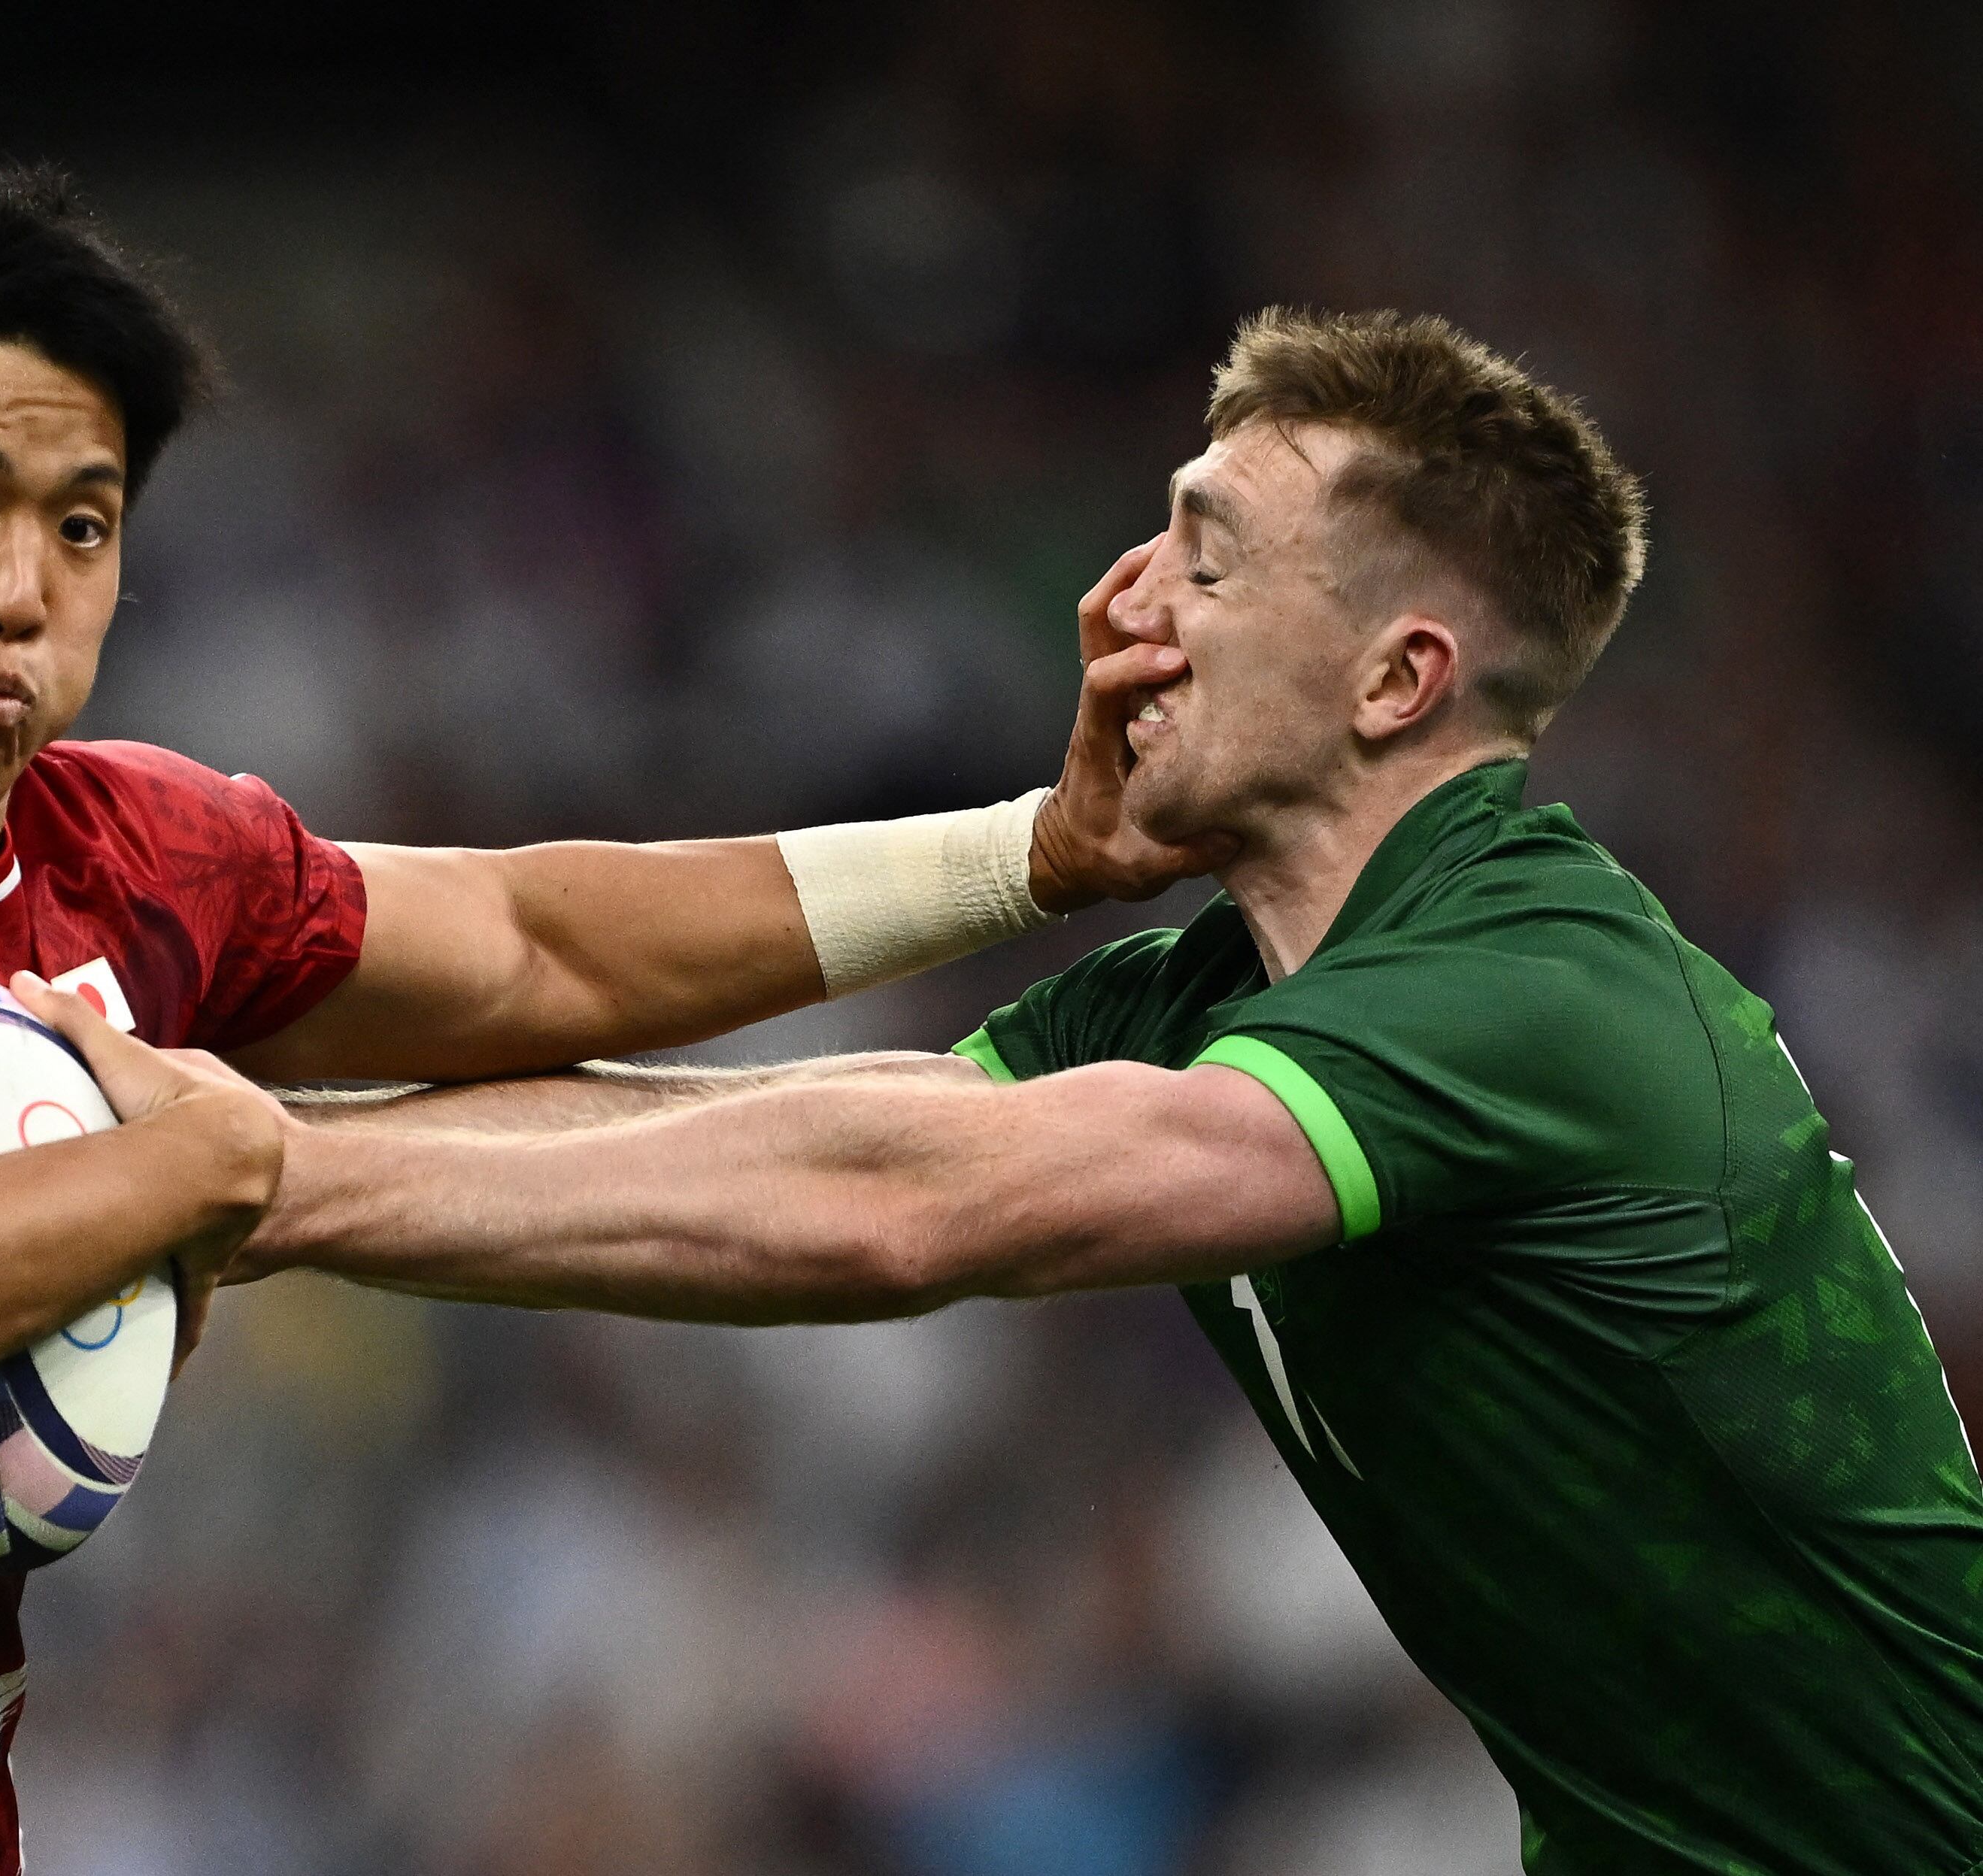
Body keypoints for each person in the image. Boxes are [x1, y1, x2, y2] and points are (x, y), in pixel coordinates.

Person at [0, 157, 1193, 1875]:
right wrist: (204, 1165)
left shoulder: (115, 855)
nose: (21, 589)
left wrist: (1034, 852)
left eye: (82, 525)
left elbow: (533, 944)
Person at [114, 309, 1983, 1873]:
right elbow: (759, 1147)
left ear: (1399, 678)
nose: (1122, 604)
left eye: (1208, 556)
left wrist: (265, 1183)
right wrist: (251, 1157)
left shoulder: (1539, 988)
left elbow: (912, 1200)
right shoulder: (1204, 999)